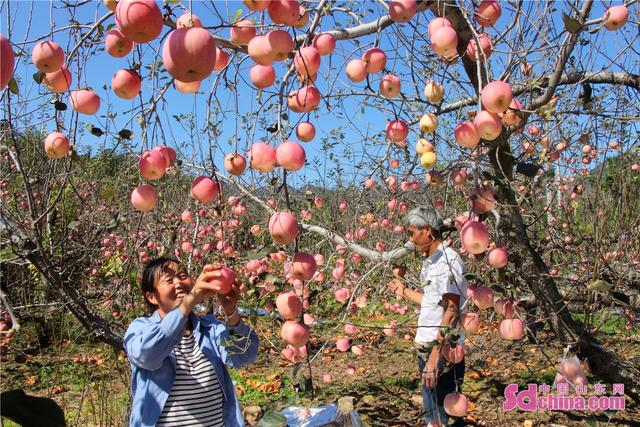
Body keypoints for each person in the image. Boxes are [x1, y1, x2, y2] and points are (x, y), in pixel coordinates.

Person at [124, 257, 259, 427]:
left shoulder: (210, 327)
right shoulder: (140, 329)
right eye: (168, 280)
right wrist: (189, 302)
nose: (178, 283)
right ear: (151, 297)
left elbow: (244, 356)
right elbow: (147, 356)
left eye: (182, 276)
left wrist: (231, 313)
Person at [388, 206, 468, 427]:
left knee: (445, 415)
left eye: (412, 233)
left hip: (443, 351)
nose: (410, 239)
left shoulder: (447, 262)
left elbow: (451, 311)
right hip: (428, 347)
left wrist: (435, 358)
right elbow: (432, 302)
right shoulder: (432, 261)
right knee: (432, 414)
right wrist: (403, 290)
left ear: (428, 231)